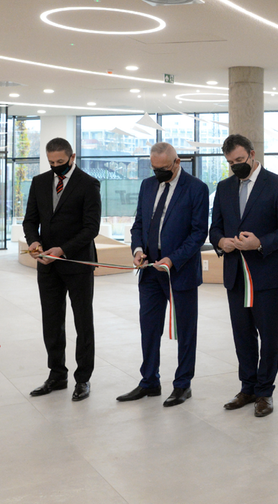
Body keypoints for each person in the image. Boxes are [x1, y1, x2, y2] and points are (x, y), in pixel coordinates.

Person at [209, 134, 278, 417]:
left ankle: (264, 391)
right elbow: (215, 227)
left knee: (269, 336)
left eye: (239, 160)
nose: (236, 165)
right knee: (242, 335)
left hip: (267, 274)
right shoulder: (224, 188)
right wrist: (221, 241)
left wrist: (259, 243)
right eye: (230, 162)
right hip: (235, 274)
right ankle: (247, 388)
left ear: (252, 154)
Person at [117, 142, 209, 408]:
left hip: (179, 272)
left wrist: (173, 259)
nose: (158, 173)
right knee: (149, 328)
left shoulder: (196, 188)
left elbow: (198, 233)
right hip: (149, 273)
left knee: (185, 331)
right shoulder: (148, 186)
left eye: (164, 168)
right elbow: (139, 224)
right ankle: (149, 381)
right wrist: (137, 250)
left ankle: (182, 385)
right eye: (154, 168)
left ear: (177, 162)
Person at [23, 137, 101, 402]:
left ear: (72, 157)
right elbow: (30, 220)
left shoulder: (88, 184)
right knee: (52, 321)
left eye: (60, 161)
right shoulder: (39, 182)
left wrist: (63, 250)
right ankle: (57, 375)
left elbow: (91, 228)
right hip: (47, 265)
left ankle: (83, 379)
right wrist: (34, 242)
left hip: (77, 264)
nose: (56, 166)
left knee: (83, 322)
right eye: (51, 162)